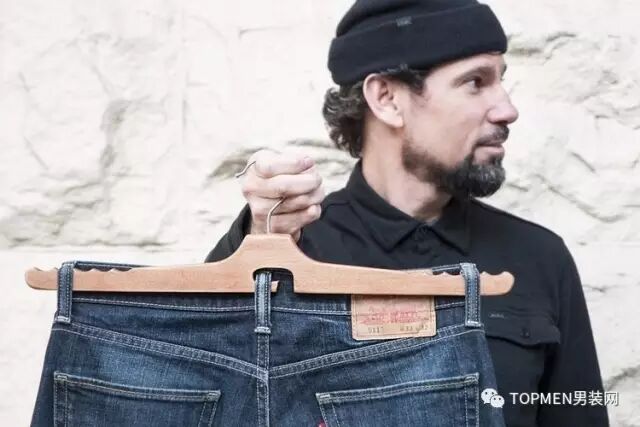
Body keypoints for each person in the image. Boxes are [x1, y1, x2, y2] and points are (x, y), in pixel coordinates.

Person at [205, 0, 608, 425]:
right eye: (475, 82)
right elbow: (200, 385)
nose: (507, 109)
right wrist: (256, 238)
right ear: (387, 99)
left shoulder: (539, 258)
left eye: (500, 81)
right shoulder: (290, 252)